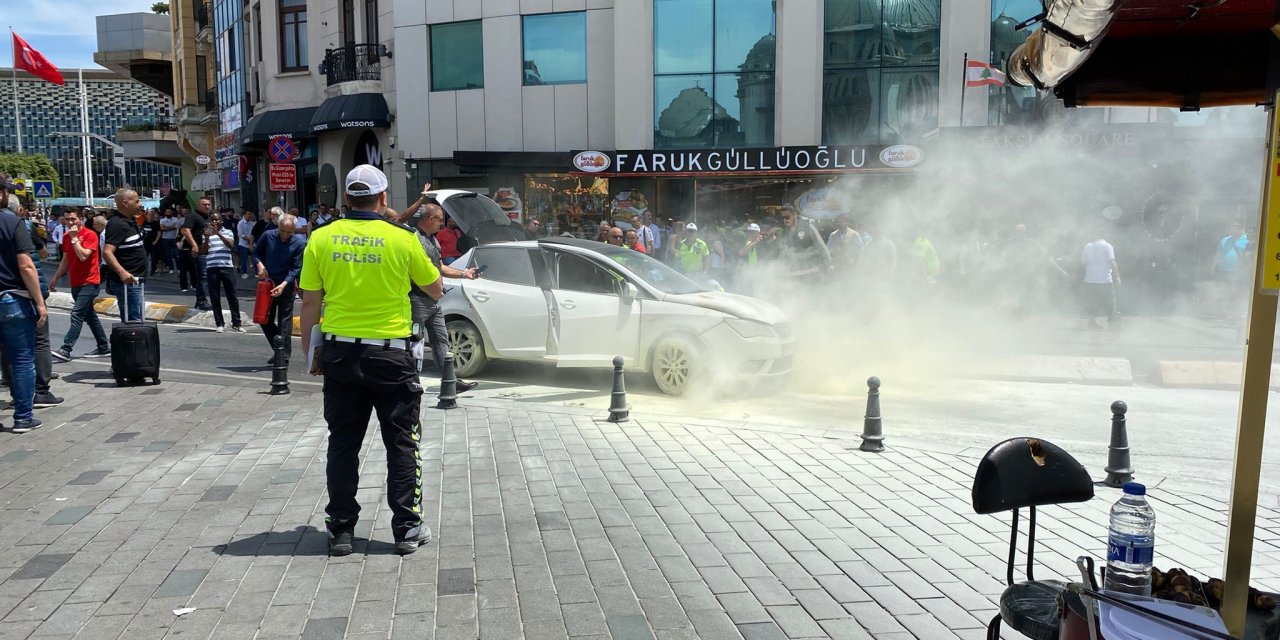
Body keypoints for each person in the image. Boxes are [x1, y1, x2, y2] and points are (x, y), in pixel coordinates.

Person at [298, 164, 443, 557]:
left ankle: (341, 530)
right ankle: (406, 529)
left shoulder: (322, 238)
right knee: (401, 442)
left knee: (343, 443)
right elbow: (435, 288)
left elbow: (311, 301)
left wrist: (312, 352)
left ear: (347, 198)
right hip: (391, 354)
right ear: (382, 200)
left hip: (341, 353)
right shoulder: (402, 238)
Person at [409, 201, 479, 392]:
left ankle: (450, 380)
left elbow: (439, 267)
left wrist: (464, 273)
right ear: (429, 218)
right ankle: (411, 380)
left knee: (441, 340)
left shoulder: (433, 239)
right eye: (440, 219)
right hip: (417, 298)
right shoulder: (413, 238)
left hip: (433, 299)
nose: (442, 223)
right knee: (415, 342)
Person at [0, 179, 49, 433]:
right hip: (12, 299)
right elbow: (27, 265)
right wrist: (40, 303)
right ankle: (22, 417)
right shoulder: (12, 222)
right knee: (21, 359)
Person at [49, 208, 111, 362]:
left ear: (81, 219)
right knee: (90, 317)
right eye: (67, 219)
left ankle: (66, 348)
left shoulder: (90, 235)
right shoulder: (66, 236)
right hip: (75, 282)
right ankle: (103, 347)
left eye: (73, 219)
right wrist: (55, 278)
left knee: (76, 314)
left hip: (90, 282)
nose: (70, 222)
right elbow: (65, 259)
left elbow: (83, 256)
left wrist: (75, 239)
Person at [254, 213, 306, 364]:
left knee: (285, 321)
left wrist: (284, 285)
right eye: (283, 230)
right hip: (267, 283)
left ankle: (283, 355)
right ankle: (278, 348)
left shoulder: (299, 244)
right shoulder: (268, 236)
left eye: (289, 232)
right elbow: (256, 253)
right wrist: (259, 264)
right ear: (278, 227)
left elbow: (296, 268)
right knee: (264, 319)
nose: (285, 234)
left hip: (286, 285)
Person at [103, 190, 150, 322]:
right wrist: (122, 272)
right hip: (128, 283)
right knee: (133, 322)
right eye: (136, 201)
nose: (140, 204)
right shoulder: (117, 224)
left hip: (137, 280)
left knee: (137, 319)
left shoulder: (130, 221)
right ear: (125, 203)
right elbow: (107, 252)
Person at [205, 212, 245, 333]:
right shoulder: (206, 232)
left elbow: (230, 245)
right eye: (213, 220)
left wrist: (218, 234)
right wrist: (206, 239)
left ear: (221, 220)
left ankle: (236, 323)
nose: (215, 222)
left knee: (232, 295)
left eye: (217, 219)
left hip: (227, 267)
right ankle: (219, 323)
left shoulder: (227, 231)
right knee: (215, 296)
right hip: (212, 267)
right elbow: (204, 251)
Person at [1210, 219, 1248, 323]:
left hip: (1237, 271)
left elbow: (1249, 256)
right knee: (1223, 292)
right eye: (1232, 226)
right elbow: (1219, 253)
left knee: (1234, 293)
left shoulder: (1246, 240)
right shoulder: (1225, 240)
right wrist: (1213, 266)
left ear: (1241, 228)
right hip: (1223, 270)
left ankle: (1235, 315)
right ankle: (1224, 314)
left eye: (1236, 227)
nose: (1233, 229)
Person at [1082, 233, 1121, 330]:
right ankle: (1112, 325)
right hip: (1105, 280)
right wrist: (1117, 277)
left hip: (1090, 280)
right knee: (1110, 303)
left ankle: (1091, 323)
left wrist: (1089, 272)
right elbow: (1112, 262)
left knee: (1093, 303)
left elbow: (1083, 262)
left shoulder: (1088, 246)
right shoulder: (1107, 246)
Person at [180, 197, 212, 311]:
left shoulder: (209, 217)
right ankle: (201, 300)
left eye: (208, 204)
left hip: (210, 250)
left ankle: (206, 299)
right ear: (198, 205)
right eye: (204, 204)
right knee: (202, 276)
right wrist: (194, 245)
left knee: (209, 276)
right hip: (200, 251)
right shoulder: (192, 216)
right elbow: (185, 230)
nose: (207, 206)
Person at [236, 209, 257, 279]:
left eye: (250, 214)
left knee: (255, 258)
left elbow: (253, 233)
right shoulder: (240, 223)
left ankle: (257, 272)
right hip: (243, 244)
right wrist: (249, 239)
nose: (249, 216)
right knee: (244, 259)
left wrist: (251, 240)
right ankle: (244, 273)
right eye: (248, 214)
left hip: (251, 244)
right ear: (244, 215)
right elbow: (240, 234)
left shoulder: (252, 223)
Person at [159, 208, 179, 274]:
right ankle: (171, 268)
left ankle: (178, 268)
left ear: (172, 213)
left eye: (169, 212)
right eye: (167, 212)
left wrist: (166, 227)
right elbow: (162, 228)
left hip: (174, 238)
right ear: (165, 213)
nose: (168, 213)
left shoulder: (176, 219)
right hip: (165, 238)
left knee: (176, 254)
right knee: (168, 254)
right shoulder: (162, 220)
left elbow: (176, 227)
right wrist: (172, 227)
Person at [143, 210, 162, 275]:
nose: (150, 216)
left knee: (153, 258)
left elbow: (159, 233)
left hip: (153, 243)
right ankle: (145, 271)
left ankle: (152, 271)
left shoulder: (156, 223)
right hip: (145, 243)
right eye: (149, 215)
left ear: (153, 216)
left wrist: (156, 241)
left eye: (151, 215)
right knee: (145, 257)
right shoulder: (145, 222)